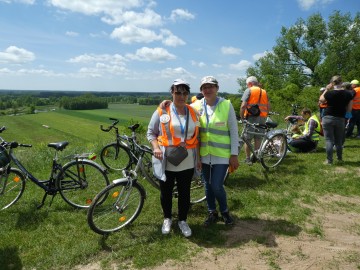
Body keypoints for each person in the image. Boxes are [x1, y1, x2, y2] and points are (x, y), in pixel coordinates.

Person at [147, 79, 201, 237]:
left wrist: (198, 159)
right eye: (178, 92)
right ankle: (167, 218)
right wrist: (156, 147)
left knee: (185, 193)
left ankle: (183, 221)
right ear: (172, 93)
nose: (181, 96)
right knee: (166, 192)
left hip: (188, 160)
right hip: (167, 160)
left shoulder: (193, 112)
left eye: (185, 93)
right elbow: (151, 133)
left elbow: (197, 137)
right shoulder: (162, 111)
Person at [191, 76, 239, 226]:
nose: (208, 89)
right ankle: (212, 212)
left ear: (217, 88)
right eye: (204, 87)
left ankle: (224, 211)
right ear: (201, 90)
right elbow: (180, 109)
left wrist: (234, 154)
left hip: (222, 155)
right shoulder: (196, 106)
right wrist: (165, 105)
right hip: (204, 154)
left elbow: (234, 131)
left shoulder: (226, 105)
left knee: (216, 185)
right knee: (207, 185)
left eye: (211, 86)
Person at [319, 75, 353, 165]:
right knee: (339, 140)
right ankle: (340, 158)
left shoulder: (329, 93)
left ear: (332, 83)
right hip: (340, 118)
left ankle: (329, 161)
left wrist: (326, 89)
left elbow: (321, 100)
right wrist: (348, 116)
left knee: (329, 140)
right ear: (341, 82)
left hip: (328, 117)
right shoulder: (348, 94)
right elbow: (349, 108)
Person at [239, 76, 270, 165]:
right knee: (258, 138)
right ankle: (256, 156)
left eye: (247, 84)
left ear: (250, 83)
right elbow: (268, 106)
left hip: (251, 117)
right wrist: (265, 115)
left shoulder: (249, 90)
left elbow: (243, 105)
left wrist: (242, 117)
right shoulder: (264, 91)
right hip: (262, 118)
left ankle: (248, 159)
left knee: (247, 138)